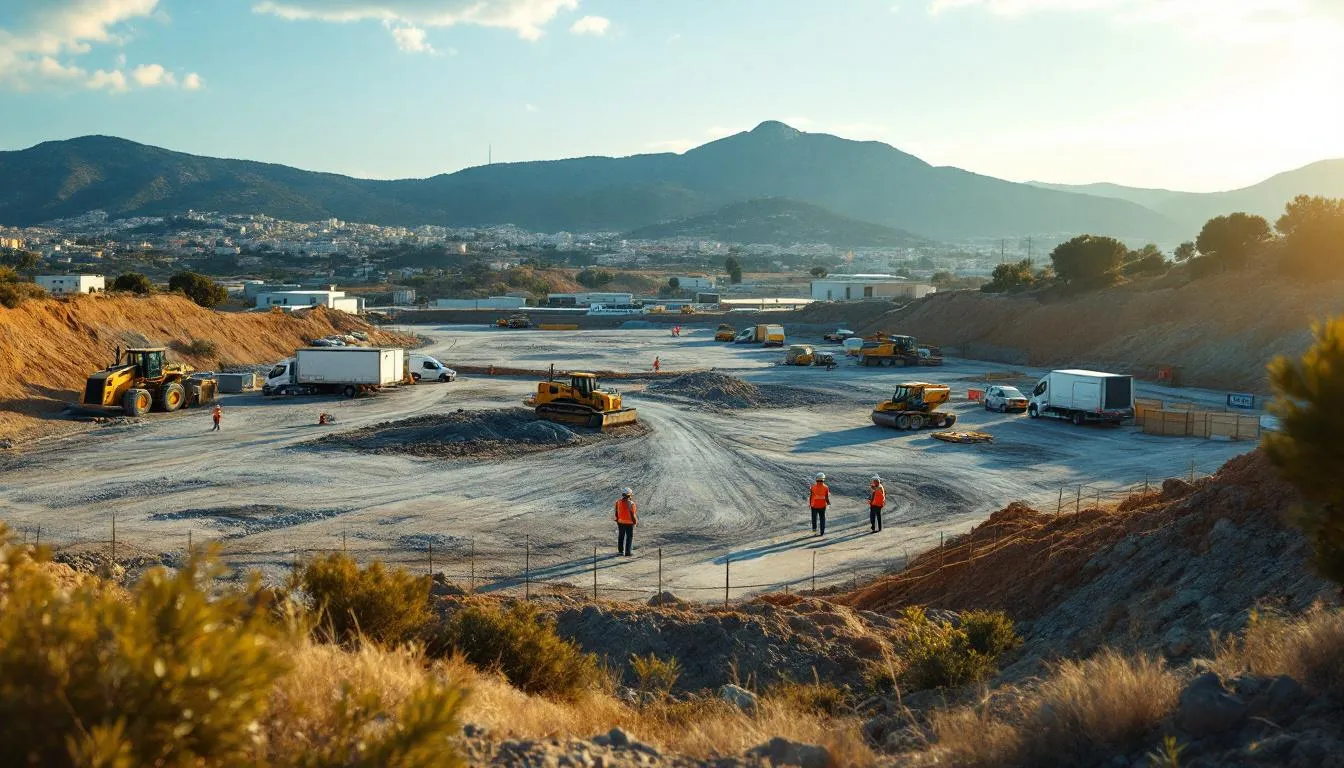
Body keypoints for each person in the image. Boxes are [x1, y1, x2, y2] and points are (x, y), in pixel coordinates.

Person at [614, 487, 637, 556]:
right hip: (629, 523)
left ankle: (620, 551)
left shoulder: (618, 502)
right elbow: (633, 514)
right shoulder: (632, 504)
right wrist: (635, 522)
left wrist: (617, 519)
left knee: (621, 536)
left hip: (620, 522)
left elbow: (616, 512)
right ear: (629, 495)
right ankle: (628, 552)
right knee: (629, 537)